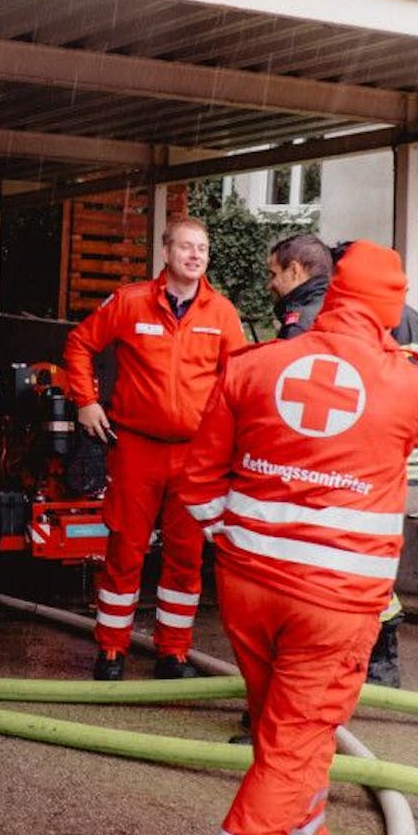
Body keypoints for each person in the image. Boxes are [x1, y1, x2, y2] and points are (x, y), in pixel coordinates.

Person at [180, 240, 418, 835]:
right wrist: (401, 353)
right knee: (294, 742)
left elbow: (197, 482)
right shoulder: (407, 383)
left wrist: (233, 538)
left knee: (280, 734)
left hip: (248, 587)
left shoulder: (255, 365)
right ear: (389, 306)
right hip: (333, 603)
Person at [63, 216, 246, 681]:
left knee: (186, 557)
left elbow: (239, 380)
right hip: (137, 449)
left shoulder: (221, 313)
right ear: (166, 252)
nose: (195, 255)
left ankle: (173, 653)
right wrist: (85, 402)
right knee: (125, 549)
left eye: (202, 248)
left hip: (195, 455)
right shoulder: (130, 302)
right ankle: (111, 650)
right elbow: (80, 344)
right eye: (186, 247)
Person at [265, 233, 418, 687]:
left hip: (350, 465)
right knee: (367, 563)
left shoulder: (319, 318)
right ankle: (375, 667)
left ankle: (362, 667)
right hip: (384, 463)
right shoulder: (405, 317)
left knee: (339, 566)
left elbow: (306, 401)